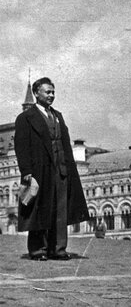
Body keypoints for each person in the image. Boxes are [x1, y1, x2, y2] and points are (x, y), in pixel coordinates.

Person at [14, 77, 89, 261]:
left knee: (60, 210)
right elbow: (21, 147)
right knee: (39, 209)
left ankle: (58, 249)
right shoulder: (25, 118)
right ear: (36, 93)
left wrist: (69, 169)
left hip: (61, 170)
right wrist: (26, 171)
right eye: (47, 92)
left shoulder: (57, 116)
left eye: (53, 92)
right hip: (40, 171)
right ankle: (38, 249)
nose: (51, 95)